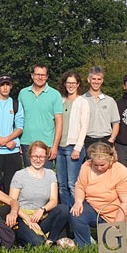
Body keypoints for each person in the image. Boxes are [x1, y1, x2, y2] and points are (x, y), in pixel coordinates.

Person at [69, 142, 127, 248]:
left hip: (116, 213)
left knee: (110, 243)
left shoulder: (121, 171)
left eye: (102, 165)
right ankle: (85, 246)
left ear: (110, 159)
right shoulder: (86, 166)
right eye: (96, 165)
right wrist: (78, 202)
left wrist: (116, 225)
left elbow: (126, 202)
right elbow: (80, 186)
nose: (99, 168)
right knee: (76, 215)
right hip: (94, 209)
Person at [8, 140, 70, 246]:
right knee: (37, 243)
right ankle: (28, 238)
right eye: (35, 156)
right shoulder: (19, 175)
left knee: (63, 209)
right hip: (23, 217)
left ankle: (51, 240)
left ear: (46, 157)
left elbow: (54, 200)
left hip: (42, 216)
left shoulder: (50, 174)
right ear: (29, 156)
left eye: (41, 157)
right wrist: (28, 219)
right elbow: (12, 201)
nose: (38, 160)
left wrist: (42, 210)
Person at [18, 63, 64, 165]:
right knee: (29, 178)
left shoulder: (55, 95)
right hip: (26, 143)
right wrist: (18, 141)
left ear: (47, 77)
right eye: (37, 74)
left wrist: (55, 146)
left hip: (46, 144)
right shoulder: (23, 93)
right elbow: (18, 119)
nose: (40, 77)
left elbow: (59, 122)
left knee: (46, 178)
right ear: (32, 75)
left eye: (43, 75)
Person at [56, 71, 90, 208]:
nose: (71, 86)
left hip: (73, 147)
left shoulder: (83, 102)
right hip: (59, 147)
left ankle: (75, 214)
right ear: (64, 84)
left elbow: (84, 127)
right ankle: (65, 217)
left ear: (78, 84)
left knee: (72, 184)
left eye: (73, 83)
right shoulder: (60, 101)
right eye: (68, 83)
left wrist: (78, 147)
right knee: (61, 185)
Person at [83, 66, 119, 150]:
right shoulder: (82, 99)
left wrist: (111, 140)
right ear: (88, 80)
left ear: (102, 81)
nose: (96, 82)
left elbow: (116, 123)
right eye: (94, 79)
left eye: (99, 79)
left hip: (106, 140)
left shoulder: (110, 100)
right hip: (88, 140)